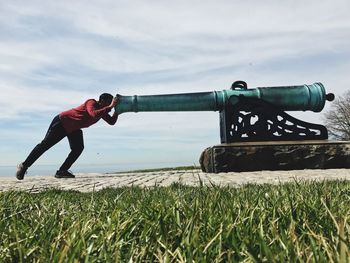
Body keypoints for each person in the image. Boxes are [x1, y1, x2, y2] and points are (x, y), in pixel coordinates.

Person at [16, 93, 119, 180]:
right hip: (62, 122)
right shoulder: (91, 102)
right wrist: (110, 107)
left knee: (78, 148)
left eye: (112, 102)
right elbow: (93, 114)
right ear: (101, 100)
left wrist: (118, 111)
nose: (111, 104)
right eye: (109, 101)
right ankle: (24, 165)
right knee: (45, 145)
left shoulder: (103, 110)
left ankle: (62, 171)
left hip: (74, 128)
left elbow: (111, 122)